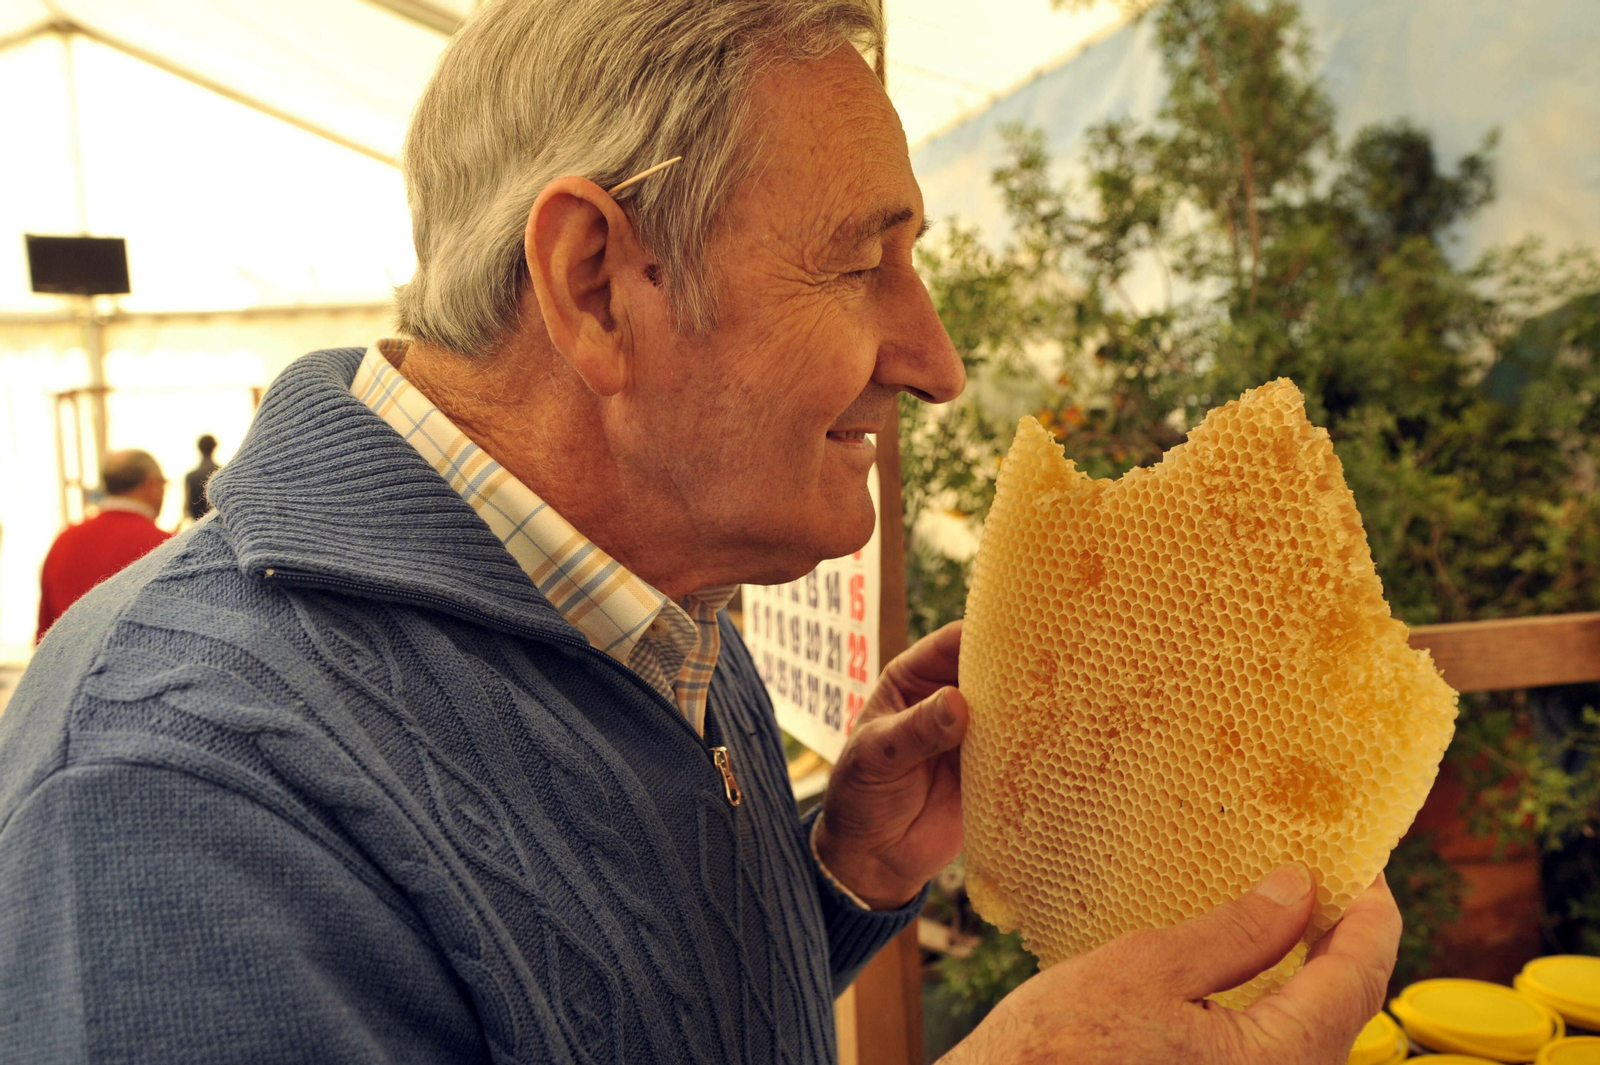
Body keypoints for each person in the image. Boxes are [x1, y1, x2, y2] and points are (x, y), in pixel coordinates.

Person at [0, 2, 1401, 1062]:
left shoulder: (655, 598)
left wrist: (836, 877)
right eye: (864, 262)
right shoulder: (169, 788)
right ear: (598, 281)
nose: (935, 358)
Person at [34, 448, 170, 641]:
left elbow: (44, 631)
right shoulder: (166, 546)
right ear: (151, 483)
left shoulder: (64, 540)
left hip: (66, 667)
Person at [183, 433, 220, 521]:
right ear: (214, 447)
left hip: (197, 525)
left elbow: (186, 508)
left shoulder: (191, 476)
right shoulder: (221, 472)